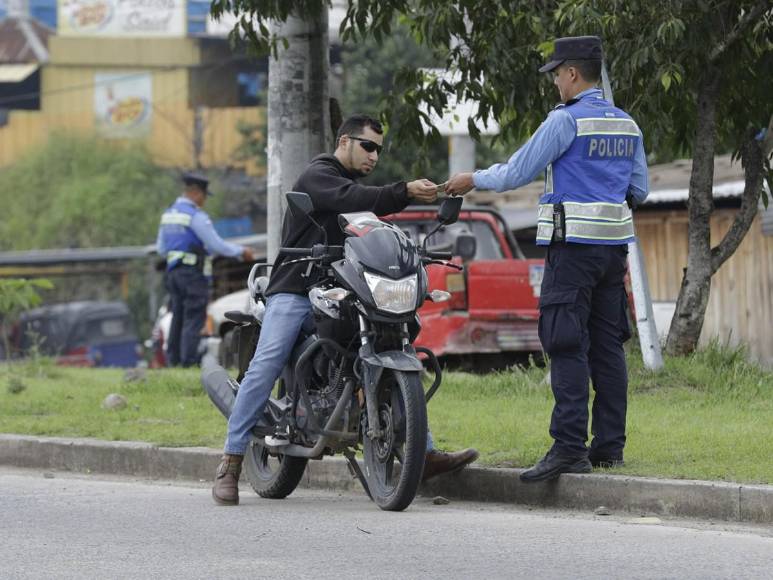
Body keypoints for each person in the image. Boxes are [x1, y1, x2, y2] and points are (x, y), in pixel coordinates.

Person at [213, 114, 479, 505]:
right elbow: (349, 199)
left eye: (379, 150)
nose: (374, 156)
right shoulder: (319, 176)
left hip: (339, 287)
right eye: (368, 146)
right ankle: (230, 462)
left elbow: (370, 226)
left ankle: (421, 453)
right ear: (344, 142)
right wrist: (403, 190)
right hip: (296, 287)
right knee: (268, 360)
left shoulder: (352, 190)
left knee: (392, 344)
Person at [445, 36, 648, 482]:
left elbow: (517, 170)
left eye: (557, 74)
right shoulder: (626, 124)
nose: (556, 81)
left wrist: (471, 178)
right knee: (608, 348)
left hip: (571, 249)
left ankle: (569, 448)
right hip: (613, 252)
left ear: (573, 74)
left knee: (565, 342)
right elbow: (640, 190)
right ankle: (609, 447)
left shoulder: (565, 121)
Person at [156, 173, 255, 367]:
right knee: (194, 317)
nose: (204, 200)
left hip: (173, 273)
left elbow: (161, 248)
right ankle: (188, 362)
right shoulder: (195, 216)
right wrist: (241, 252)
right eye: (203, 195)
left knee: (178, 316)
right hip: (192, 274)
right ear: (195, 193)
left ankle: (173, 361)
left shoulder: (169, 214)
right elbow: (216, 244)